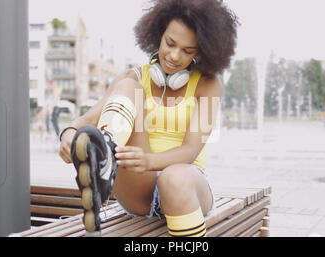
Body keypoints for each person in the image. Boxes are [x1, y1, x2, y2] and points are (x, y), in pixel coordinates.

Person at [59, 0, 239, 237]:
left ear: (202, 51)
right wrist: (69, 134)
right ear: (159, 33)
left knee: (173, 177)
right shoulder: (134, 77)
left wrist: (148, 160)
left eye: (187, 51)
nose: (174, 56)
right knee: (128, 86)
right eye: (170, 43)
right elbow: (86, 119)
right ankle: (104, 156)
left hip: (185, 184)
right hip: (137, 188)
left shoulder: (208, 84)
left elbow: (191, 150)